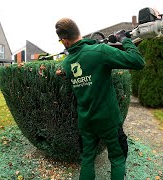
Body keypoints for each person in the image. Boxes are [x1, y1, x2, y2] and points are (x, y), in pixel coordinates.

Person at [55, 18, 145, 180]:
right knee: (117, 158)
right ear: (78, 33)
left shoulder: (67, 63)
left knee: (87, 160)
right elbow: (138, 61)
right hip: (108, 120)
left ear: (66, 41)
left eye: (61, 41)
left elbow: (82, 53)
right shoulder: (100, 51)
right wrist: (125, 40)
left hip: (86, 122)